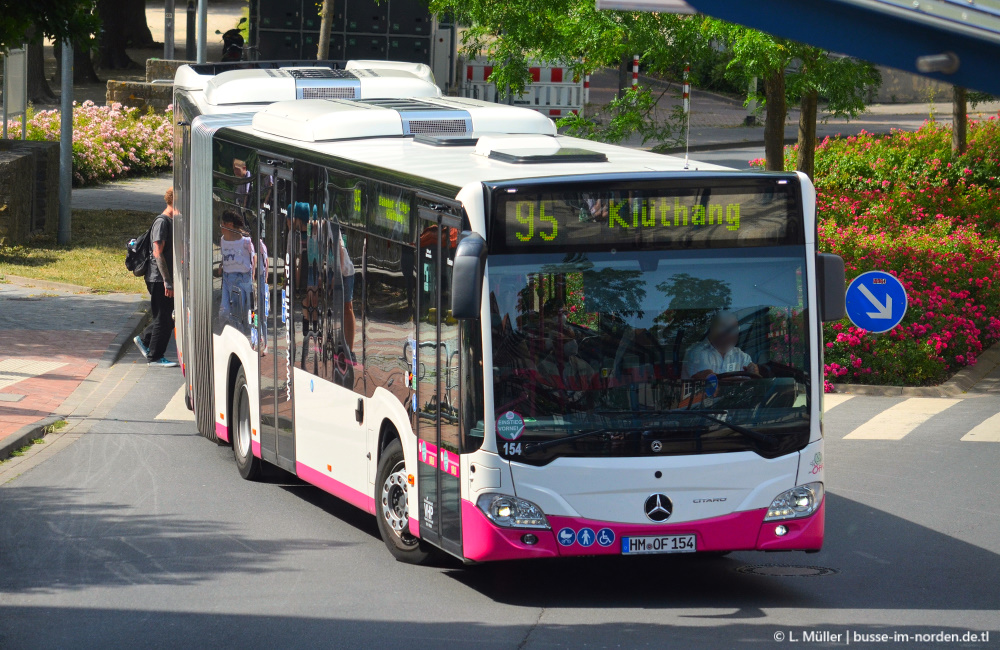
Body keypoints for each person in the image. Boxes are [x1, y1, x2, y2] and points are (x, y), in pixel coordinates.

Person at [134, 188, 178, 367]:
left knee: (168, 317)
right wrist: (167, 280)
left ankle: (145, 339)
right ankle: (155, 356)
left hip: (164, 277)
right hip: (158, 278)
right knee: (163, 317)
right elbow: (157, 253)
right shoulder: (162, 222)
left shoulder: (171, 221)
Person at [682, 311, 758, 380]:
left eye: (735, 329)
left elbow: (754, 378)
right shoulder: (697, 352)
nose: (730, 334)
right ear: (713, 329)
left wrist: (753, 370)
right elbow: (711, 380)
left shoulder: (739, 355)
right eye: (724, 328)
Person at [219, 209, 255, 332]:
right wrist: (221, 265)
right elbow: (225, 255)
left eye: (222, 225)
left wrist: (254, 275)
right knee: (224, 312)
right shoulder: (223, 240)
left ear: (229, 225)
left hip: (243, 278)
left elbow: (253, 257)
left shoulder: (245, 241)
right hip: (227, 278)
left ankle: (250, 333)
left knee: (246, 311)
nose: (221, 228)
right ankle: (234, 336)